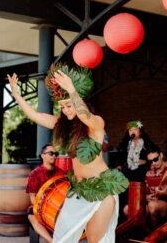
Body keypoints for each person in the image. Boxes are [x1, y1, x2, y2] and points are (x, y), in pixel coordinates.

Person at [7, 63, 128, 243]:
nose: (66, 110)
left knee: (96, 239)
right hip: (78, 191)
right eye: (63, 107)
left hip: (102, 189)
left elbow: (84, 115)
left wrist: (71, 88)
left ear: (78, 101)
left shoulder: (95, 125)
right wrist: (16, 94)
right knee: (62, 238)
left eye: (69, 105)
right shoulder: (64, 127)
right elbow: (35, 115)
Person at [26, 143, 64, 243]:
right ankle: (52, 241)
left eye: (56, 153)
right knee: (32, 216)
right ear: (43, 155)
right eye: (51, 153)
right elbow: (32, 197)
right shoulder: (35, 173)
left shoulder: (61, 173)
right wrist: (42, 212)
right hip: (38, 207)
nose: (54, 156)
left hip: (59, 206)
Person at [145, 144, 167, 229]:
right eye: (150, 161)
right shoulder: (148, 173)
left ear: (161, 155)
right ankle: (144, 235)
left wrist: (164, 193)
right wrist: (147, 197)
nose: (153, 163)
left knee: (152, 206)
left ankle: (156, 237)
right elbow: (145, 193)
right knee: (128, 209)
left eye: (155, 159)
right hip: (153, 203)